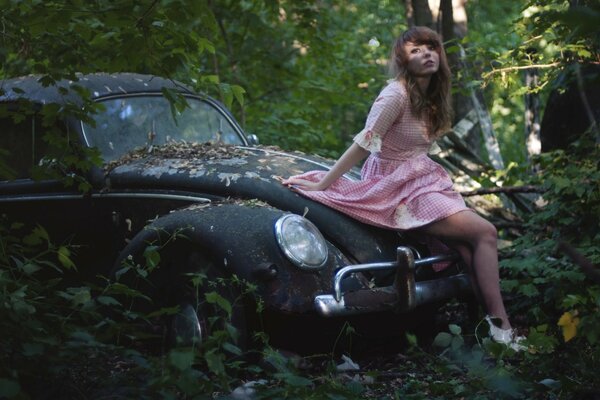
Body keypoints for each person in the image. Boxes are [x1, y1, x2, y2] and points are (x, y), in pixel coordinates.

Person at [282, 26, 524, 350]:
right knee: (486, 232)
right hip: (397, 187)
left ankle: (493, 330)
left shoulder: (432, 96)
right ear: (402, 60)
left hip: (423, 181)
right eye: (416, 50)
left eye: (431, 47)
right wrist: (325, 182)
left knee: (467, 248)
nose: (426, 53)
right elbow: (363, 144)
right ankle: (503, 330)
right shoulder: (394, 95)